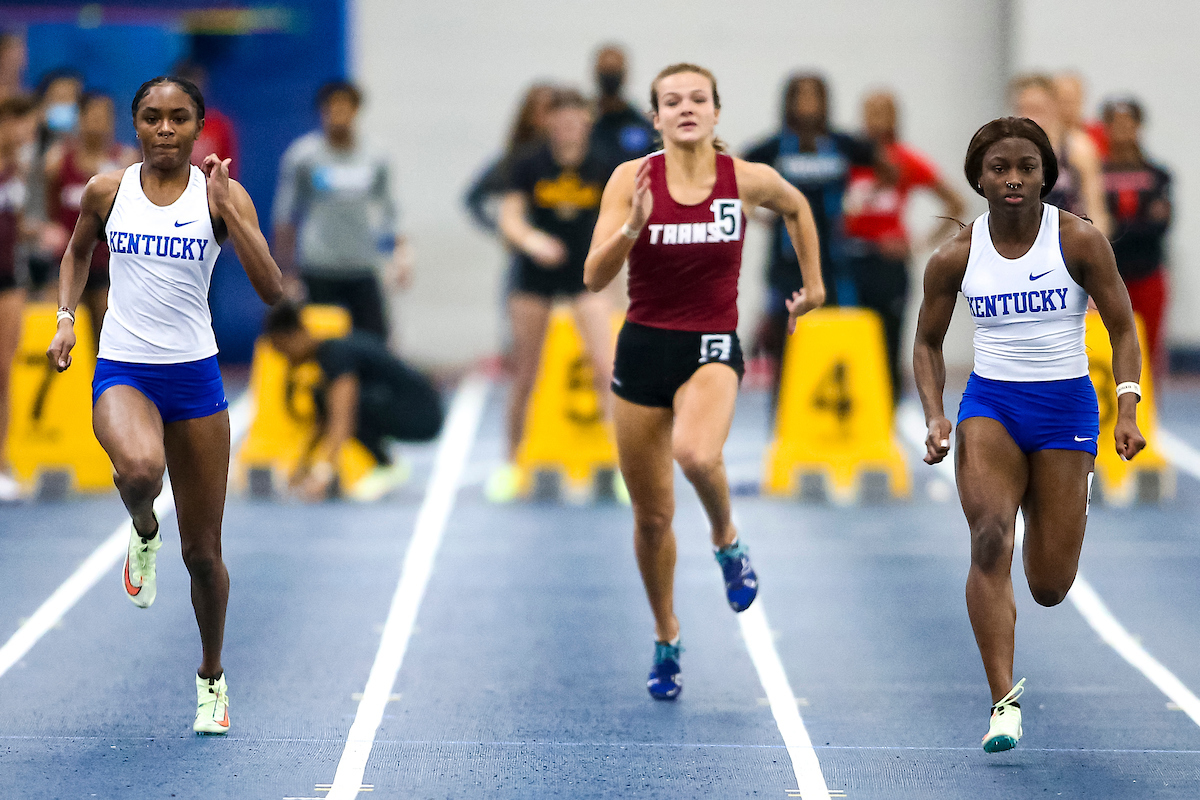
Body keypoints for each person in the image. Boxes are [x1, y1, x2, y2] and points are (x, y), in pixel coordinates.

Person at [45, 76, 283, 734]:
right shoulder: (108, 190)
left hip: (196, 380)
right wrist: (66, 319)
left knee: (204, 556)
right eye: (153, 118)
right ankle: (144, 529)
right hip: (124, 369)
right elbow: (75, 253)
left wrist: (230, 210)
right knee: (140, 471)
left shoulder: (220, 198)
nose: (166, 129)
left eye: (179, 118)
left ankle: (211, 676)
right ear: (137, 125)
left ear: (199, 128)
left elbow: (271, 289)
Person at [584, 64, 823, 699]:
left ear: (716, 113)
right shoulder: (629, 181)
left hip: (711, 344)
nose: (685, 108)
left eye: (698, 99)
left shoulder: (743, 178)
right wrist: (633, 224)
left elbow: (797, 207)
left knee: (697, 453)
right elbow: (593, 276)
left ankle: (726, 539)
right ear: (655, 117)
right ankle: (666, 634)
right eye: (671, 101)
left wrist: (814, 284)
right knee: (653, 519)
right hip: (642, 348)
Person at [913, 117, 1145, 753]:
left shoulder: (1079, 242)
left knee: (1048, 585)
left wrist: (1126, 408)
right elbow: (927, 342)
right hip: (992, 405)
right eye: (999, 169)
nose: (1013, 179)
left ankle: (1063, 493)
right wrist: (936, 414)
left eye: (1026, 168)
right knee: (990, 538)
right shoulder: (957, 256)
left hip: (1066, 407)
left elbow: (1123, 330)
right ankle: (1002, 703)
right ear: (979, 179)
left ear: (1047, 175)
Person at [488, 88, 616, 502]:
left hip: (585, 274)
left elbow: (625, 215)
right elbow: (509, 218)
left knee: (607, 366)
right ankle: (512, 463)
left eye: (575, 120)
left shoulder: (603, 163)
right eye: (559, 122)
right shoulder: (528, 164)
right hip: (534, 278)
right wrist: (532, 241)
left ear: (587, 121)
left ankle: (621, 466)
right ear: (548, 125)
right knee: (526, 371)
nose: (567, 129)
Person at [743, 73, 883, 405]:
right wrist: (756, 212)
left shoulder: (842, 144)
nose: (807, 104)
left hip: (835, 262)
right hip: (786, 264)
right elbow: (733, 174)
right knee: (785, 342)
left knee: (838, 335)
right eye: (800, 97)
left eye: (814, 96)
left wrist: (863, 203)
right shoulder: (773, 147)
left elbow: (890, 167)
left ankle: (840, 411)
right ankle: (782, 418)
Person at [842, 90, 965, 400]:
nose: (876, 120)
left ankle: (888, 409)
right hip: (850, 260)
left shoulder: (904, 160)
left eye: (884, 112)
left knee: (889, 341)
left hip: (888, 264)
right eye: (870, 112)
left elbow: (954, 202)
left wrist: (918, 243)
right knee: (851, 338)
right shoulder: (848, 160)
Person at [263, 299, 443, 500]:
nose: (286, 359)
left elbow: (342, 419)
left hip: (423, 413)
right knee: (325, 399)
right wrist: (303, 469)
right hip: (408, 405)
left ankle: (386, 468)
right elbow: (323, 424)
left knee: (342, 403)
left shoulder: (337, 355)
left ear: (296, 335)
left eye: (283, 349)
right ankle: (386, 466)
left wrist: (323, 474)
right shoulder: (328, 357)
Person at [272, 80, 410, 340]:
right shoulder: (303, 156)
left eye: (345, 108)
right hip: (319, 265)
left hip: (362, 263)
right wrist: (285, 271)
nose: (338, 116)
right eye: (332, 108)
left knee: (375, 340)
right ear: (322, 112)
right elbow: (285, 214)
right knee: (320, 342)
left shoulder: (376, 156)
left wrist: (401, 254)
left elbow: (391, 209)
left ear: (356, 111)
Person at [43, 92, 138, 342]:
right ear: (80, 118)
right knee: (58, 328)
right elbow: (47, 210)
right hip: (68, 261)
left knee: (106, 337)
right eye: (93, 115)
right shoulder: (57, 162)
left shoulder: (125, 163)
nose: (99, 122)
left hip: (109, 265)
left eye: (105, 116)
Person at [1102, 98, 1172, 377]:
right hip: (1108, 276)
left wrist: (1118, 228)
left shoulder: (1157, 175)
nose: (1122, 130)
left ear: (1139, 126)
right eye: (1115, 124)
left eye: (1128, 124)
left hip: (1148, 273)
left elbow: (1160, 226)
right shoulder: (1096, 173)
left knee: (1149, 348)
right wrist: (1135, 224)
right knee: (1108, 346)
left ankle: (1149, 413)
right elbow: (1095, 224)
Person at [1011, 74, 1111, 238]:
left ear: (1053, 107)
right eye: (1024, 109)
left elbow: (1096, 209)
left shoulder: (1078, 148)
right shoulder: (1009, 152)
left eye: (1038, 109)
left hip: (1068, 242)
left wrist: (1096, 246)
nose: (1031, 118)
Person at [0, 95, 38, 502]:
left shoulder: (19, 170)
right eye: (22, 125)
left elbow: (20, 223)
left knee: (3, 373)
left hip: (9, 278)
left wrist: (37, 233)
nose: (28, 135)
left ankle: (3, 461)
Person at [464, 82, 556, 234]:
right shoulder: (516, 160)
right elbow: (473, 198)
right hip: (527, 247)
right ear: (530, 117)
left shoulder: (578, 160)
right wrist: (502, 229)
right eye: (546, 111)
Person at [27, 69, 84, 297]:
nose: (65, 106)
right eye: (58, 98)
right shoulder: (28, 153)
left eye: (71, 99)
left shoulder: (87, 155)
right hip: (36, 251)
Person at [590, 44, 656, 163]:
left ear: (625, 74)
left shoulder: (640, 124)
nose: (610, 77)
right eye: (605, 71)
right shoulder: (586, 123)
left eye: (615, 71)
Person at [174, 61, 239, 179]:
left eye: (197, 84)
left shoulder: (218, 124)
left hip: (209, 190)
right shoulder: (166, 124)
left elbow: (228, 169)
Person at [1054, 72, 1108, 159]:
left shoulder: (1098, 134)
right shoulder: (1047, 137)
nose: (1067, 107)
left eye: (1072, 100)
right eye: (1063, 100)